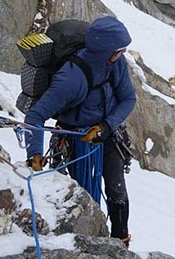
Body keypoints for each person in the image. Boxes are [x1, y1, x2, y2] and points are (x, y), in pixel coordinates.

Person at [24, 16, 136, 243]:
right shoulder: (71, 79)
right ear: (106, 51)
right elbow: (35, 115)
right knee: (82, 194)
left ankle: (120, 242)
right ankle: (86, 240)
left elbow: (128, 98)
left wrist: (106, 126)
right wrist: (34, 152)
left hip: (107, 133)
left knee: (117, 191)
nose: (121, 54)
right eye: (119, 51)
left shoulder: (115, 63)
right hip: (76, 140)